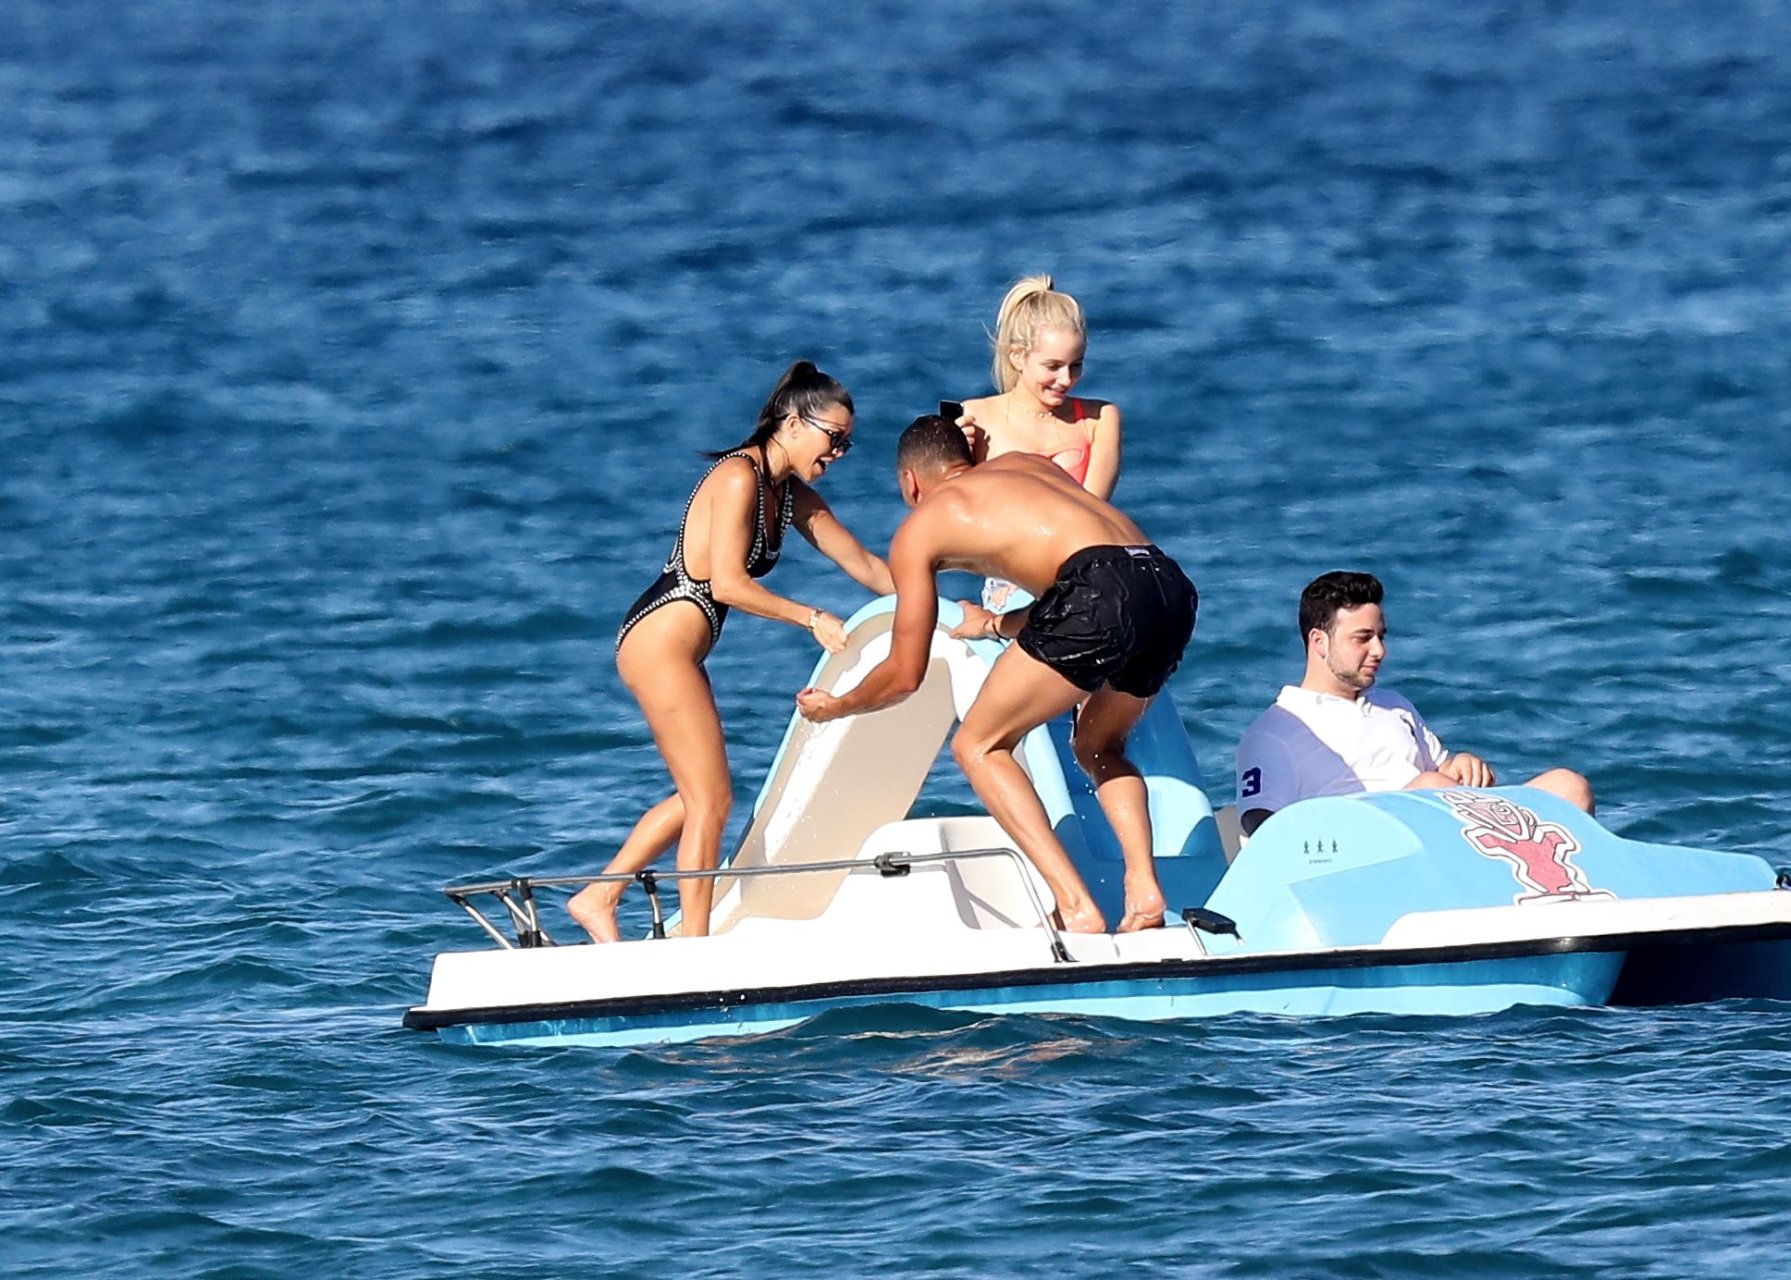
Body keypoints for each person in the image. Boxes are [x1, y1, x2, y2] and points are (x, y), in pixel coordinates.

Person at [795, 415, 1196, 935]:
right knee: (1098, 745)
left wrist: (838, 705)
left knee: (978, 746)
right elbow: (1087, 579)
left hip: (1098, 591)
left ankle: (1075, 906)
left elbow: (903, 675)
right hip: (1167, 586)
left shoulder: (921, 525)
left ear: (910, 482)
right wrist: (993, 624)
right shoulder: (1025, 466)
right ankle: (1143, 893)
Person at [568, 361, 895, 943]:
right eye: (833, 437)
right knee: (711, 800)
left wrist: (931, 601)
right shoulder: (740, 476)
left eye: (848, 442)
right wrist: (810, 617)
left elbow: (863, 563)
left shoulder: (789, 495)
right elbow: (726, 584)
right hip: (658, 642)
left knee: (699, 796)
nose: (840, 452)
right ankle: (695, 948)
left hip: (677, 649)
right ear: (792, 424)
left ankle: (600, 896)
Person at [1234, 571, 1595, 836]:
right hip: (1364, 856)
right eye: (1363, 638)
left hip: (1444, 829)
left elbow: (1444, 773)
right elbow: (1262, 829)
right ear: (1319, 642)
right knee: (1428, 786)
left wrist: (1462, 765)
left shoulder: (1395, 705)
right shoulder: (1275, 731)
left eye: (1381, 637)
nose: (1379, 651)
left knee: (1568, 786)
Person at [954, 276, 1124, 613]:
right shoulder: (973, 417)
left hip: (1079, 579)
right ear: (1017, 356)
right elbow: (946, 517)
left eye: (1076, 365)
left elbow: (1091, 514)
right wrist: (954, 461)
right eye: (1053, 366)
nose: (1066, 379)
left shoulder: (1100, 419)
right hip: (1007, 588)